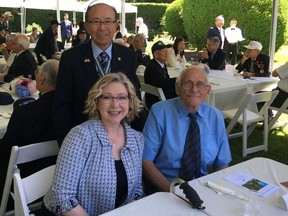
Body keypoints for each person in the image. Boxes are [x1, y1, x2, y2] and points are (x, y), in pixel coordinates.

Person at [43, 72, 144, 215]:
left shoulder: (136, 139)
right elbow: (61, 197)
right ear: (96, 102)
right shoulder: (80, 136)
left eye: (122, 97)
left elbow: (137, 191)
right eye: (107, 97)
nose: (115, 104)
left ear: (130, 102)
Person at [53, 2, 140, 144]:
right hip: (82, 140)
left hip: (120, 138)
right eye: (96, 22)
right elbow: (61, 105)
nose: (102, 28)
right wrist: (66, 142)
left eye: (107, 22)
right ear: (86, 25)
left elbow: (134, 97)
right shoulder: (71, 58)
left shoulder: (128, 56)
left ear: (116, 25)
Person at [142, 65, 232, 194]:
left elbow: (222, 164)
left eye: (200, 84)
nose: (194, 89)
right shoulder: (160, 112)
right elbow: (145, 160)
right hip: (165, 187)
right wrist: (172, 192)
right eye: (187, 84)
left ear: (208, 90)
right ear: (177, 88)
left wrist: (221, 192)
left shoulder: (215, 116)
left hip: (201, 188)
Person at [0, 59, 59, 210]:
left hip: (24, 179)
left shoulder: (25, 112)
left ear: (41, 79)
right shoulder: (70, 111)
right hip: (58, 177)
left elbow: (5, 149)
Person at [144, 41, 177, 109]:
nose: (166, 53)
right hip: (157, 101)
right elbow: (162, 82)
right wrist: (177, 80)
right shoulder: (152, 67)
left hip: (163, 96)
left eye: (166, 51)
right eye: (163, 51)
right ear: (156, 55)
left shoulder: (162, 64)